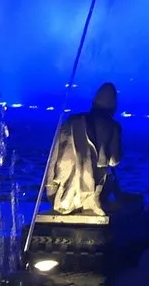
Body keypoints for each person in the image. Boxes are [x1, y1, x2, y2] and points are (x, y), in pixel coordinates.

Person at [45, 82, 124, 216]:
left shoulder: (72, 121)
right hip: (93, 189)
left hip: (62, 193)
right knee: (108, 174)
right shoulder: (113, 126)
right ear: (114, 106)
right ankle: (93, 201)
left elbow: (54, 156)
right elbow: (114, 160)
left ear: (94, 101)